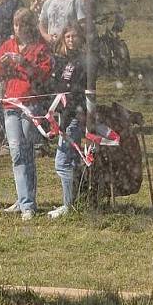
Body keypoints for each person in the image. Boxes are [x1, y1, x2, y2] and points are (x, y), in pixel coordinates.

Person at [0, 8, 52, 221]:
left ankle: (28, 202)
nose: (19, 28)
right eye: (16, 24)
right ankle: (23, 199)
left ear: (30, 26)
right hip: (10, 104)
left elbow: (43, 76)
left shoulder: (40, 49)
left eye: (23, 24)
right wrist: (3, 64)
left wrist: (24, 63)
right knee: (16, 152)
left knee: (26, 151)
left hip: (30, 104)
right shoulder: (7, 46)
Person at [48, 23, 87, 219]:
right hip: (64, 115)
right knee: (69, 161)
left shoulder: (81, 62)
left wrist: (63, 123)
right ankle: (71, 202)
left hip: (74, 117)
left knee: (62, 162)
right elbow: (58, 88)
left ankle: (68, 205)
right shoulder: (63, 61)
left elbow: (75, 94)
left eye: (74, 36)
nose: (71, 40)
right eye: (68, 37)